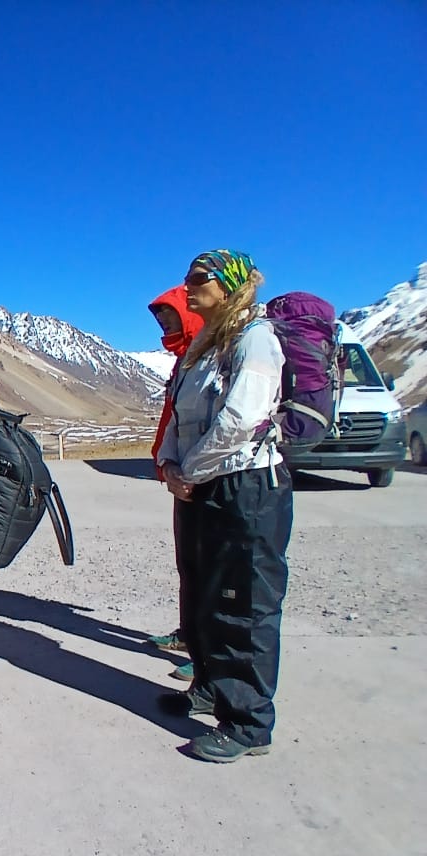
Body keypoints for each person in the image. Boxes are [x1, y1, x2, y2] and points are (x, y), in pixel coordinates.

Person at [156, 250, 291, 764]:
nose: (187, 288)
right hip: (200, 486)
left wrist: (190, 470)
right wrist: (170, 463)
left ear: (229, 284)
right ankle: (210, 686)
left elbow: (241, 418)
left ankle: (248, 722)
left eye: (198, 279)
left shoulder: (255, 340)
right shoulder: (202, 349)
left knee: (243, 602)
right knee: (204, 591)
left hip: (245, 488)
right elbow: (179, 413)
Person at [144, 287, 206, 673]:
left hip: (200, 473)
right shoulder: (184, 358)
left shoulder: (204, 356)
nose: (164, 323)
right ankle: (190, 634)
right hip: (181, 470)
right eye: (160, 317)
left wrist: (192, 468)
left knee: (206, 565)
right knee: (190, 563)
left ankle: (207, 654)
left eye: (170, 316)